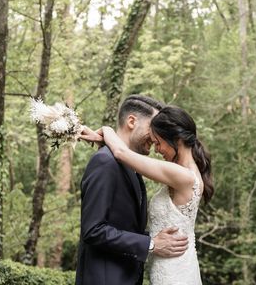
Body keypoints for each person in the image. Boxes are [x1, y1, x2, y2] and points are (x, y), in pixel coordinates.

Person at [75, 95, 189, 285]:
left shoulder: (128, 164)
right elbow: (93, 230)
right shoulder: (105, 162)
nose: (155, 137)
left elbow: (125, 226)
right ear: (131, 121)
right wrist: (151, 244)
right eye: (153, 128)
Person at [95, 105, 214, 285]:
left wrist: (106, 130)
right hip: (172, 266)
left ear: (177, 139)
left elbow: (121, 153)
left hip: (174, 274)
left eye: (158, 142)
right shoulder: (186, 172)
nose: (156, 150)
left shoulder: (182, 175)